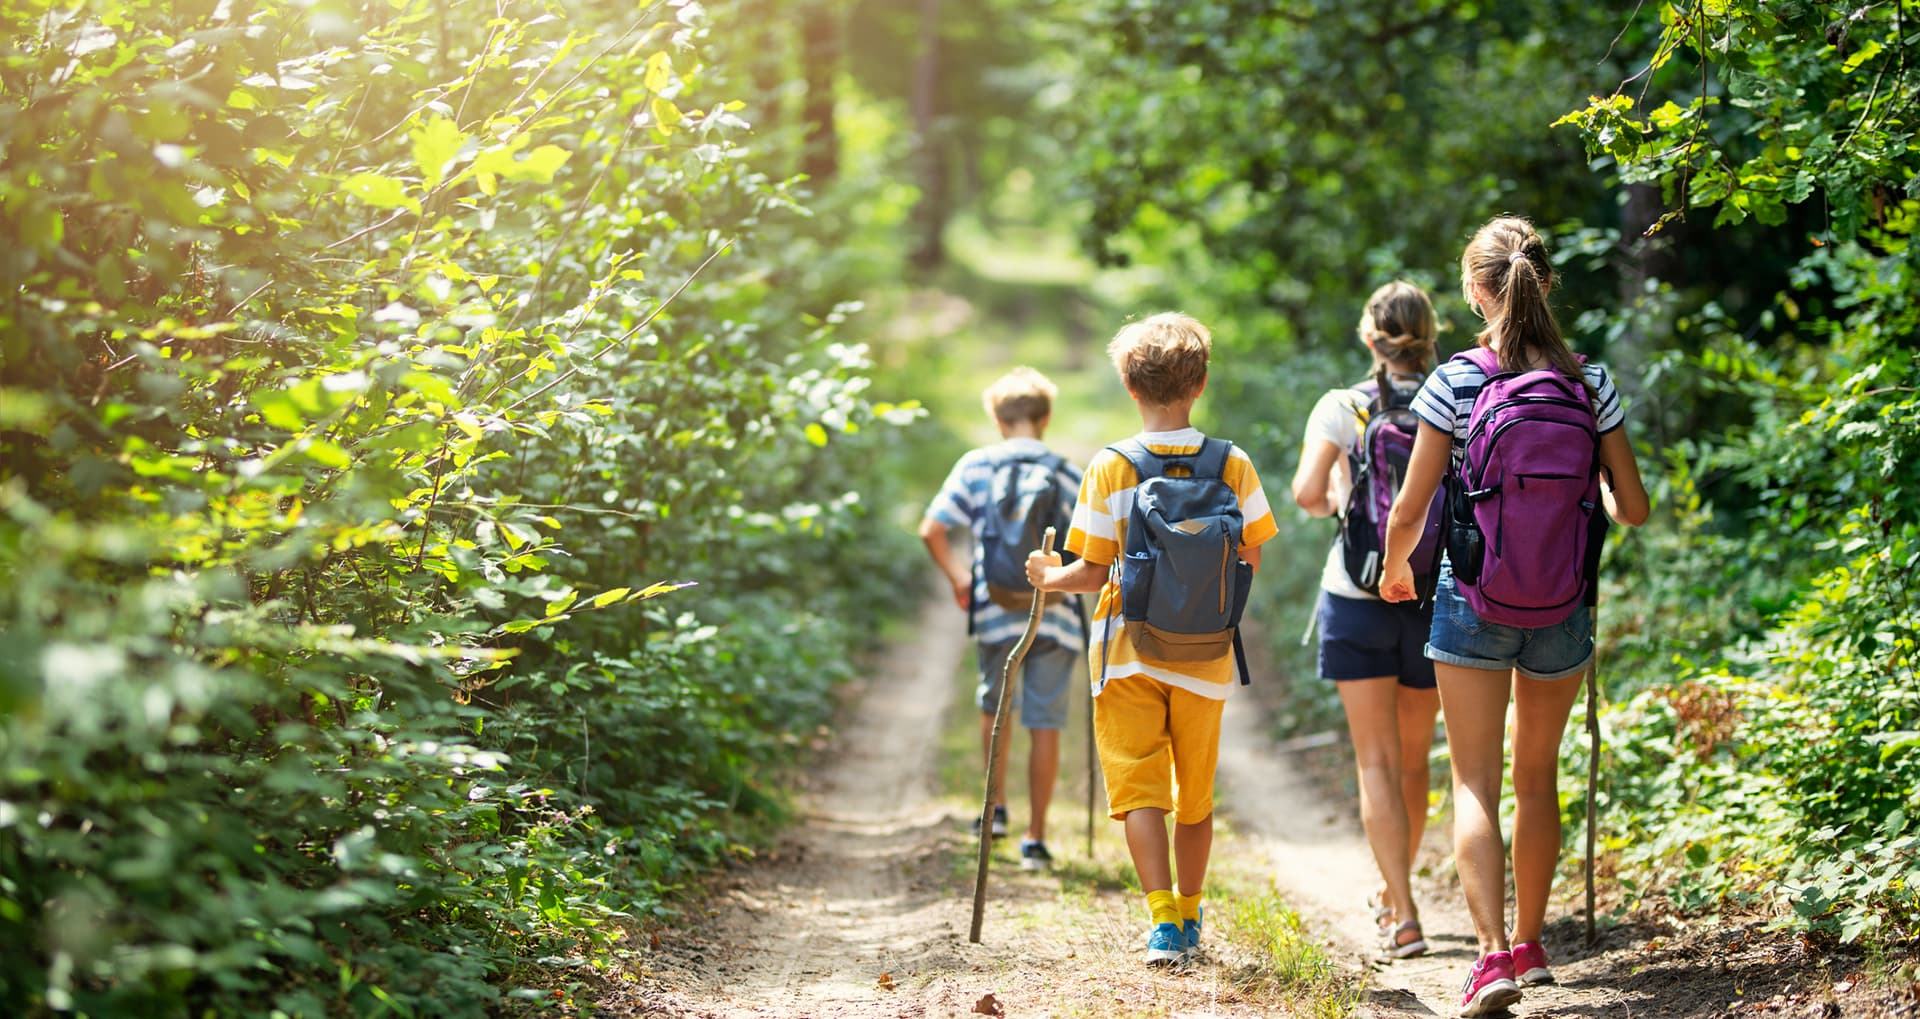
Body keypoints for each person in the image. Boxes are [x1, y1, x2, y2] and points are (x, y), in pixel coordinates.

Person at [1379, 217, 1649, 1017]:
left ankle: (1489, 956)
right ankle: (1533, 947)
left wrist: (1398, 570)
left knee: (1474, 781)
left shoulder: (1457, 379)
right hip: (1563, 604)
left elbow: (1410, 508)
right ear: (1546, 281)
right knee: (1538, 777)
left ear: (1473, 288)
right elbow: (1632, 507)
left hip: (1472, 598)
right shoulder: (1589, 380)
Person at [1025, 312, 1278, 964]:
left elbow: (1088, 570)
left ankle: (1162, 920)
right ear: (1199, 384)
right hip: (1207, 656)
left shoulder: (1111, 467)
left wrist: (1047, 576)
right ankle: (1194, 915)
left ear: (1129, 387)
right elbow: (1251, 554)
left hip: (1127, 653)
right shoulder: (1234, 463)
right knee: (1194, 797)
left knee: (1140, 789)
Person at [1289, 281, 1442, 961]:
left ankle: (1401, 910)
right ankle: (1395, 891)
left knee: (1374, 761)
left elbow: (1305, 492)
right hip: (1432, 594)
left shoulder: (1342, 405)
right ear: (1430, 334)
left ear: (1369, 337)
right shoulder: (1454, 397)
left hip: (1355, 594)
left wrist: (1342, 511)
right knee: (1414, 761)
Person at [921, 367, 1086, 871]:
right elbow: (1094, 544)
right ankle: (1035, 838)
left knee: (996, 708)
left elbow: (932, 529)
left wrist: (958, 579)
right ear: (1046, 418)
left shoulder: (975, 467)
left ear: (997, 418)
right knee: (1046, 721)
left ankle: (994, 811)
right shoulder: (1064, 470)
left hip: (993, 611)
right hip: (1053, 613)